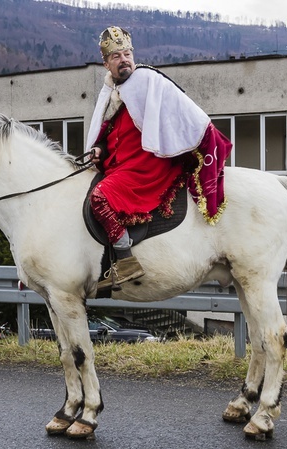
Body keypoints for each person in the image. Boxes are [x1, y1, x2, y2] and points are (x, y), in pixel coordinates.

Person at [87, 26, 232, 291]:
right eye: (117, 56)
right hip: (119, 165)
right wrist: (99, 149)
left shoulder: (147, 80)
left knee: (99, 197)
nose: (124, 60)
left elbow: (184, 111)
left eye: (127, 53)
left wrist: (204, 134)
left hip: (146, 166)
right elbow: (108, 130)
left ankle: (125, 259)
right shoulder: (109, 91)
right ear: (106, 63)